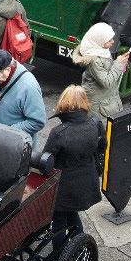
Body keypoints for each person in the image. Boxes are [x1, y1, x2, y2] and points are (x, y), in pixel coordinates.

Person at [42, 85, 103, 236]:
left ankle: (61, 255)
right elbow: (102, 147)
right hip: (87, 182)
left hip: (64, 187)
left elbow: (46, 161)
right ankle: (79, 248)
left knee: (59, 221)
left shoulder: (59, 133)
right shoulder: (95, 124)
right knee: (73, 215)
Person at [0, 48, 46, 145]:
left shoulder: (29, 87)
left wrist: (9, 132)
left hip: (16, 147)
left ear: (7, 70)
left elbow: (37, 121)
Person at [71, 22, 128, 123]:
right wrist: (118, 64)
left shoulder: (101, 51)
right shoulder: (94, 60)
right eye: (109, 39)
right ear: (100, 40)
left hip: (106, 104)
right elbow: (106, 82)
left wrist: (119, 64)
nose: (113, 41)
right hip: (99, 109)